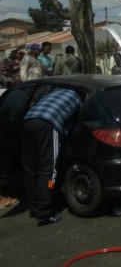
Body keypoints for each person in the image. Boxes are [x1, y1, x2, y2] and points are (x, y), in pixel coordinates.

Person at [22, 88, 82, 225]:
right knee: (49, 168)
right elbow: (76, 121)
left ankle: (34, 207)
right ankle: (44, 213)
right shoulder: (78, 99)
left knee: (31, 168)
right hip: (48, 124)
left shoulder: (54, 91)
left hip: (29, 120)